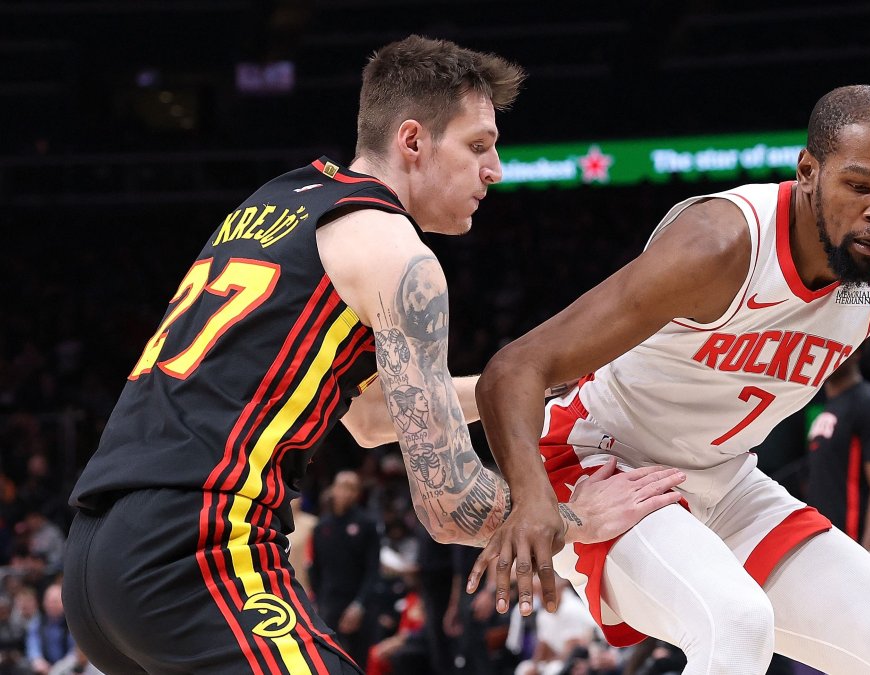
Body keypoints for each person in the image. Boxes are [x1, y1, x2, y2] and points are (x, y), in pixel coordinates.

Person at [62, 35, 684, 674]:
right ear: (413, 141)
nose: (495, 170)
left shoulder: (282, 199)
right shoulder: (399, 255)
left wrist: (529, 385)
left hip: (95, 558)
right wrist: (574, 517)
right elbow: (450, 506)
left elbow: (369, 417)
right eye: (478, 146)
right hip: (197, 545)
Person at [471, 85, 870, 674]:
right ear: (808, 171)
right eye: (859, 186)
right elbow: (514, 369)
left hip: (725, 480)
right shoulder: (720, 245)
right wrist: (534, 499)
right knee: (737, 625)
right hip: (600, 465)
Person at [804, 351, 870, 558]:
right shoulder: (829, 407)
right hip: (832, 548)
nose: (826, 357)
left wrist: (868, 553)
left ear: (856, 351)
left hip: (862, 553)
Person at [310, 470, 380, 665]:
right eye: (342, 486)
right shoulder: (321, 526)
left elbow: (373, 570)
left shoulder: (367, 524)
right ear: (333, 489)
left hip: (358, 605)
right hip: (329, 604)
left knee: (357, 662)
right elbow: (315, 569)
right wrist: (318, 601)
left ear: (358, 493)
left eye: (352, 488)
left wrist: (359, 605)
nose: (346, 492)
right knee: (328, 661)